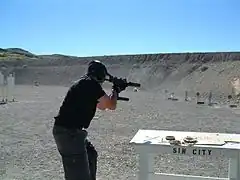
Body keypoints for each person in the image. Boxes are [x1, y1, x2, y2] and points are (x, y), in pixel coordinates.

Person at [52, 60, 127, 180]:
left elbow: (102, 106)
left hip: (70, 132)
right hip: (69, 133)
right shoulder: (90, 84)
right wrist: (116, 90)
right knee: (78, 175)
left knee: (91, 154)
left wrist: (115, 91)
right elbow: (111, 105)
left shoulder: (86, 83)